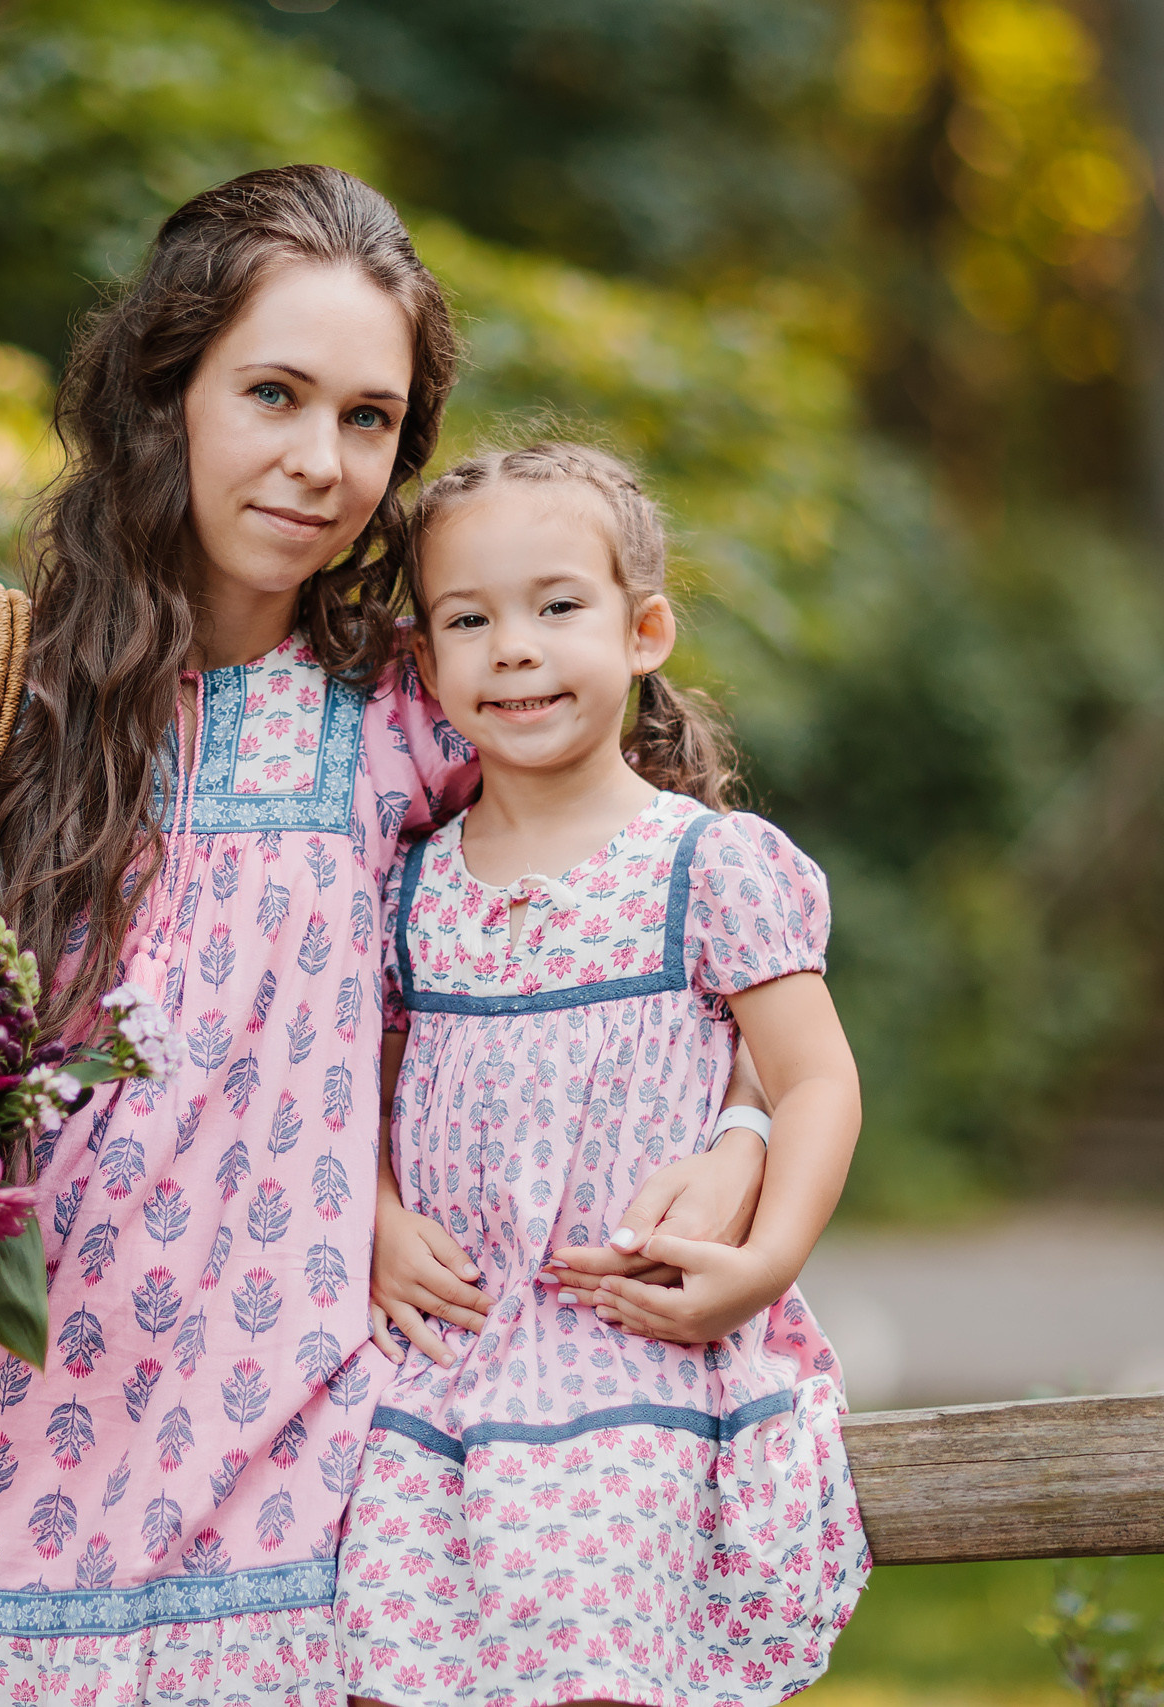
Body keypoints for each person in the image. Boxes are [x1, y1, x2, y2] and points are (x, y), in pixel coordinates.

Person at [0, 166, 771, 1707]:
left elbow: (668, 933)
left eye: (369, 419)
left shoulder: (422, 701)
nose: (321, 463)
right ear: (165, 388)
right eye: (272, 393)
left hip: (300, 1509)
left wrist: (737, 1128)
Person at [340, 442, 870, 1707]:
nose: (512, 647)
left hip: (629, 1348)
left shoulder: (708, 866)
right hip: (447, 1352)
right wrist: (379, 1216)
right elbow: (362, 1094)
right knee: (382, 1654)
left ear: (644, 632)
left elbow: (813, 1085)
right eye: (469, 620)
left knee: (596, 1659)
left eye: (556, 606)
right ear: (426, 662)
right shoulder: (412, 886)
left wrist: (761, 1267)